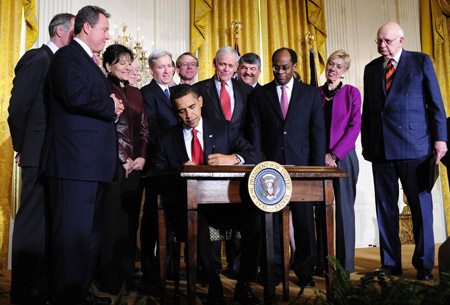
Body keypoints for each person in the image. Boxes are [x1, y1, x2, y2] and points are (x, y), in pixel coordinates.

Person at [40, 5, 123, 305]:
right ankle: (64, 296)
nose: (107, 35)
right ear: (87, 28)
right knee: (71, 238)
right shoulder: (66, 57)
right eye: (104, 29)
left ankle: (79, 293)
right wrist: (110, 105)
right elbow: (75, 96)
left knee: (88, 237)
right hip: (73, 165)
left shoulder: (87, 61)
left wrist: (110, 106)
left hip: (90, 166)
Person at [152, 84, 264, 305]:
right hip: (188, 209)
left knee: (257, 218)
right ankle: (214, 285)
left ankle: (244, 284)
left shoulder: (223, 128)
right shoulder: (166, 138)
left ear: (201, 101)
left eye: (192, 107)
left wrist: (233, 159)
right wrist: (180, 170)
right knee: (197, 221)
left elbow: (256, 154)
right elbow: (155, 173)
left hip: (225, 206)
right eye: (181, 111)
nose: (189, 115)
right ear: (175, 112)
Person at [361, 22, 447, 281]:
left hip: (416, 148)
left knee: (421, 208)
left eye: (386, 41)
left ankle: (423, 265)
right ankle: (390, 264)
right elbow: (369, 111)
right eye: (378, 41)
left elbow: (436, 104)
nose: (381, 46)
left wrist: (440, 140)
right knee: (385, 208)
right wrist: (366, 142)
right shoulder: (371, 69)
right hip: (381, 150)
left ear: (400, 40)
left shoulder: (420, 61)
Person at [7, 13, 75, 305]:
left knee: (47, 223)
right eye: (75, 31)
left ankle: (42, 287)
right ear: (60, 31)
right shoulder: (39, 58)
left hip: (54, 154)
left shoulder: (60, 62)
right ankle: (23, 292)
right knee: (32, 223)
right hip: (37, 152)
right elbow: (17, 107)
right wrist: (23, 146)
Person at [246, 47, 325, 288]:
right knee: (272, 221)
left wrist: (316, 170)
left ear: (295, 66)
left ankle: (304, 270)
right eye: (276, 67)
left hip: (301, 168)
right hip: (270, 169)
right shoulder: (260, 95)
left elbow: (317, 133)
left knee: (302, 222)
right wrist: (259, 167)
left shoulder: (310, 94)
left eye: (285, 67)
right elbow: (255, 134)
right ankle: (275, 269)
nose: (280, 71)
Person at [96, 44, 149, 295]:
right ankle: (109, 279)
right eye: (121, 62)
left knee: (130, 224)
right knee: (112, 223)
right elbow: (106, 129)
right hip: (113, 166)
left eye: (130, 62)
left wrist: (141, 158)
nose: (127, 67)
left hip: (136, 168)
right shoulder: (102, 88)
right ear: (108, 66)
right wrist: (124, 159)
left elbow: (144, 129)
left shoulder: (137, 93)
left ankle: (128, 276)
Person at [318, 50, 361, 275]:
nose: (333, 68)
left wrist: (333, 155)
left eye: (338, 66)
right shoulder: (315, 94)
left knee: (344, 211)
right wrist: (320, 156)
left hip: (343, 158)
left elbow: (354, 127)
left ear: (344, 71)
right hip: (317, 161)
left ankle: (345, 265)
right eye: (330, 64)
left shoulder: (352, 93)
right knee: (319, 210)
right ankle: (322, 262)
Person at [140, 49, 179, 288]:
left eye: (169, 66)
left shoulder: (178, 92)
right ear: (152, 70)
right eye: (161, 67)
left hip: (177, 167)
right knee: (153, 221)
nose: (166, 71)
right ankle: (149, 272)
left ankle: (171, 269)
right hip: (157, 165)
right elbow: (152, 127)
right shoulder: (146, 93)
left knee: (174, 218)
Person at [194, 46, 253, 136]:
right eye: (222, 64)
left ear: (236, 67)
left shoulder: (247, 90)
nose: (226, 69)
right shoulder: (198, 89)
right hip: (212, 146)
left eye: (230, 66)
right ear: (214, 63)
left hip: (239, 146)